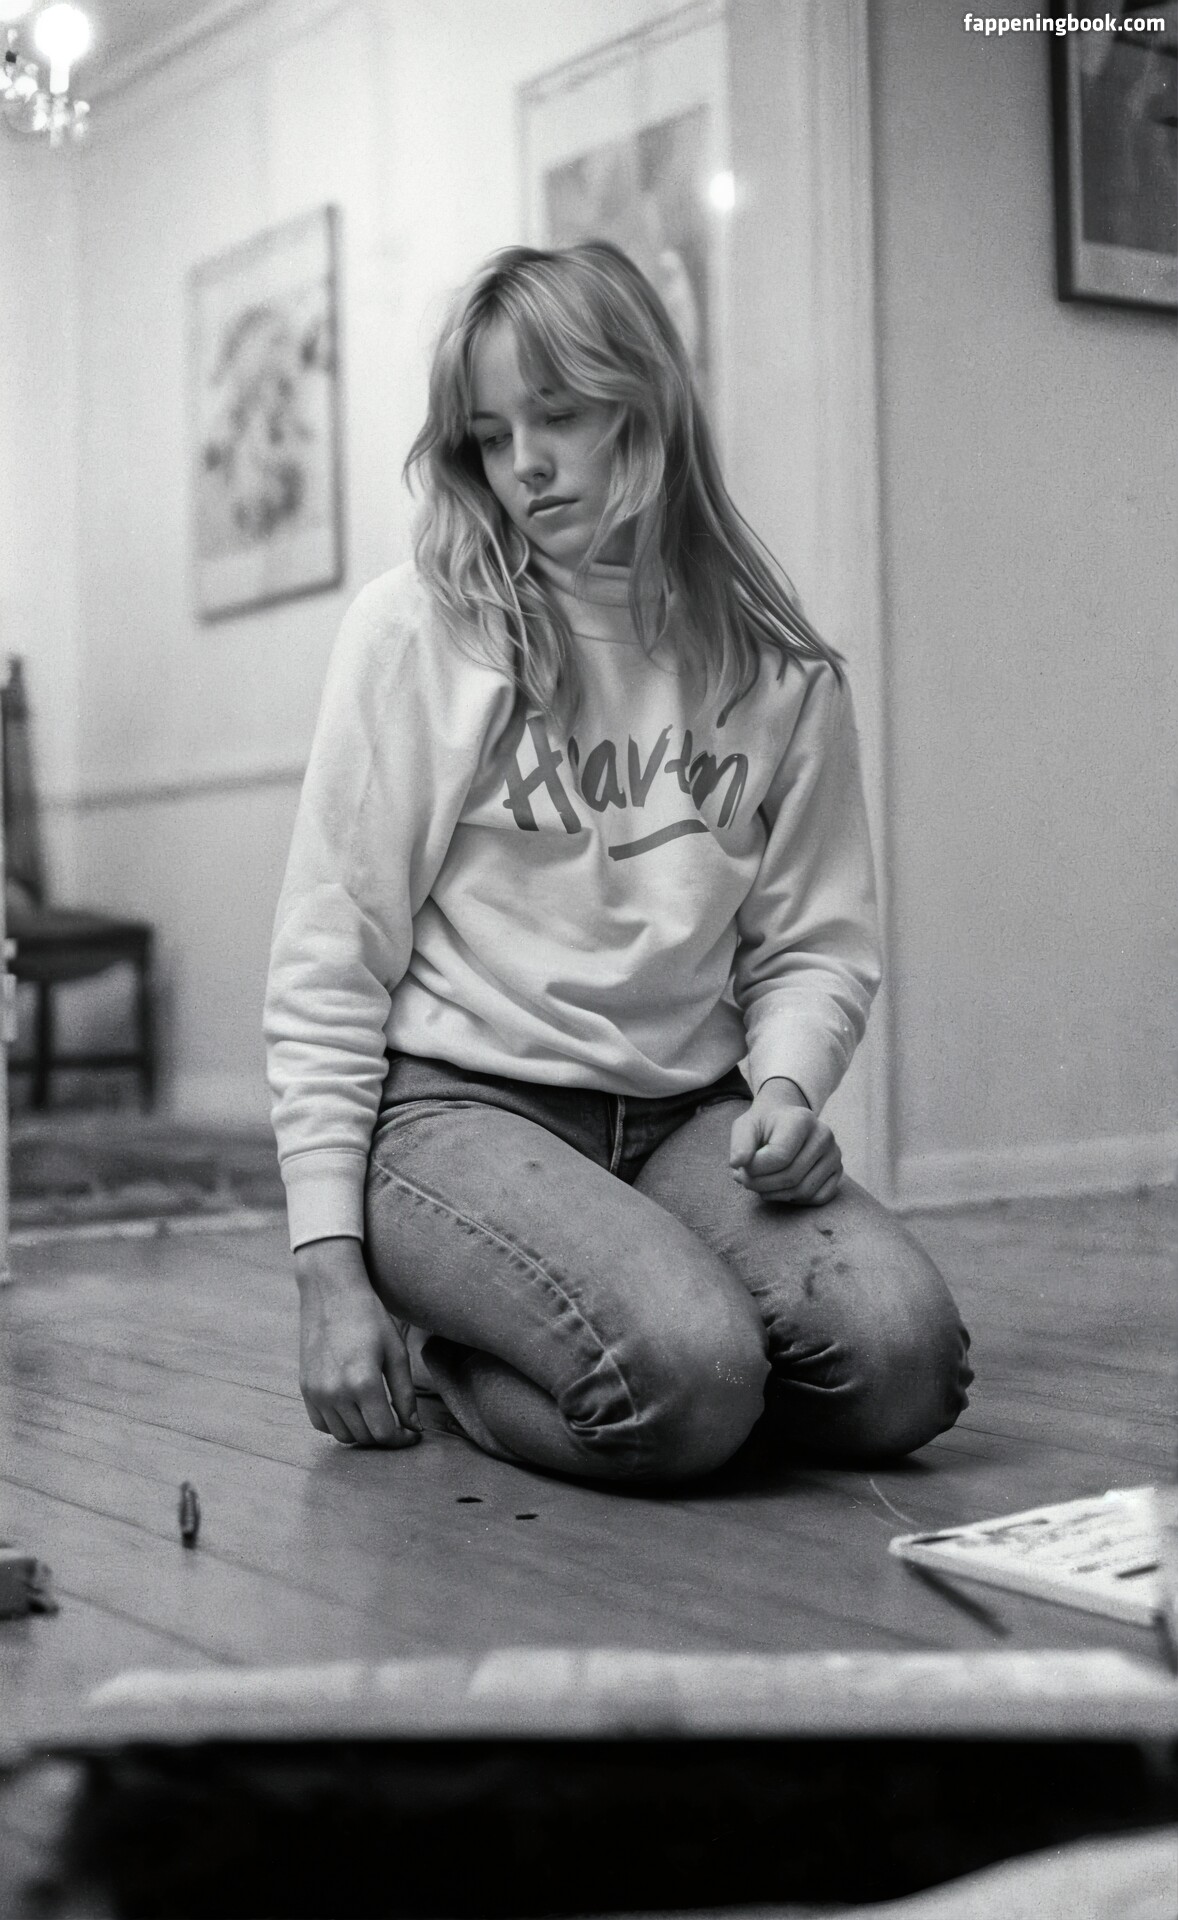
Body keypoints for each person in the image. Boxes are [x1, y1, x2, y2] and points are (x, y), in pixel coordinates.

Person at [264, 241, 972, 1484]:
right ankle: (456, 1353)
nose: (524, 465)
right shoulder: (418, 631)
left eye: (558, 415)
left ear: (644, 406)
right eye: (490, 436)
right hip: (454, 1114)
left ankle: (639, 1349)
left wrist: (788, 1091)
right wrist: (327, 1265)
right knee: (688, 1378)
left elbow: (811, 944)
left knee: (901, 1365)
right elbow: (331, 954)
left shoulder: (779, 674)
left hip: (685, 1115)